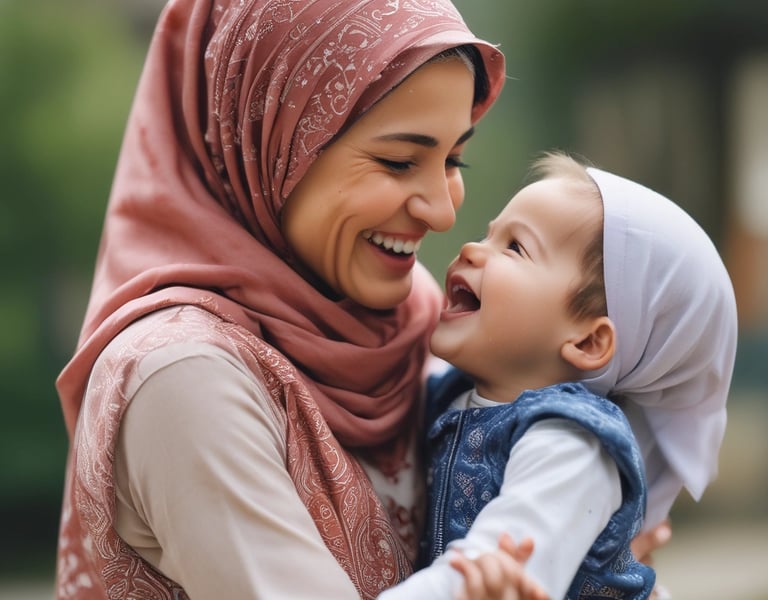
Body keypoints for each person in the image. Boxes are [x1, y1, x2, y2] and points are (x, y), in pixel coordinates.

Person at [52, 1, 669, 599]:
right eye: (399, 162)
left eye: (455, 158)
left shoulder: (413, 322)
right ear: (269, 144)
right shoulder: (182, 376)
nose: (445, 210)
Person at [379, 152, 738, 600]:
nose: (471, 249)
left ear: (588, 343)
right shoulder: (457, 390)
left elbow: (489, 568)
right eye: (488, 234)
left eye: (515, 247)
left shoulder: (572, 447)